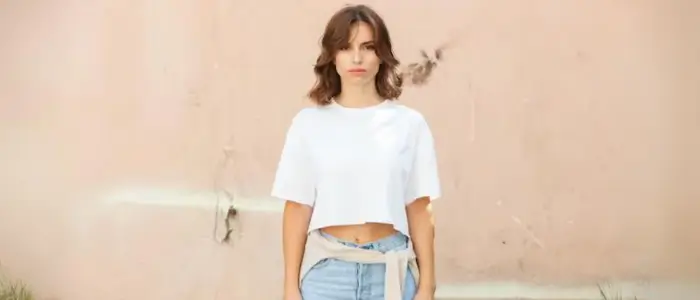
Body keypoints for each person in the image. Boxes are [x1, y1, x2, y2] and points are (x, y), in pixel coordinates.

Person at [272, 4, 441, 300]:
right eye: (346, 47)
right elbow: (297, 207)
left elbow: (419, 207)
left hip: (390, 273)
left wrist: (427, 285)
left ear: (382, 56)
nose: (357, 57)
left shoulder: (409, 125)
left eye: (368, 47)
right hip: (328, 274)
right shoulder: (308, 124)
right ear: (332, 58)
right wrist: (290, 287)